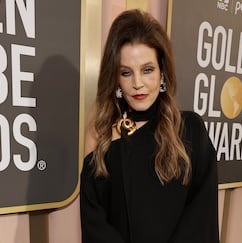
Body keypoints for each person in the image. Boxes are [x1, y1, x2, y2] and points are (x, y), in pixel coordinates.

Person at [80, 9, 219, 243]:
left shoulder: (190, 130)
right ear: (115, 78)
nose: (137, 84)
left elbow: (201, 218)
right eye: (126, 72)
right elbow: (94, 222)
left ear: (163, 72)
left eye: (147, 70)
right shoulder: (100, 133)